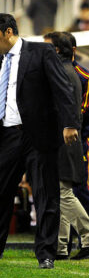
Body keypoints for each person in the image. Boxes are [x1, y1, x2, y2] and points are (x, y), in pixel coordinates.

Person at [0, 13, 79, 269]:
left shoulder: (41, 52)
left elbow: (62, 89)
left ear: (8, 32)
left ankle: (45, 254)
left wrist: (69, 123)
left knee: (45, 196)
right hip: (7, 137)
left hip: (38, 136)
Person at [44, 31, 89, 260]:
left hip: (64, 137)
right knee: (59, 191)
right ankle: (60, 247)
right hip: (68, 137)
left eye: (47, 48)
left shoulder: (61, 72)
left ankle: (88, 235)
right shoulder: (69, 71)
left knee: (63, 193)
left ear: (57, 50)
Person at [62, 31, 89, 216]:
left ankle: (85, 236)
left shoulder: (83, 76)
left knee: (80, 189)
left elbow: (82, 112)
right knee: (63, 191)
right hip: (58, 141)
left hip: (80, 140)